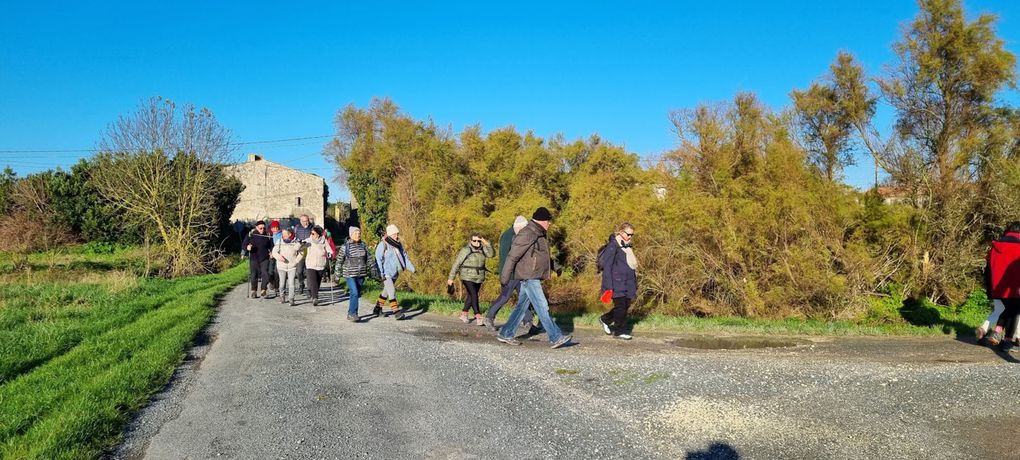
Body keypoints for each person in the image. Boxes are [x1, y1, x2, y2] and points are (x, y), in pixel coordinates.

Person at [496, 207, 572, 349]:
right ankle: (556, 337)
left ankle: (506, 333)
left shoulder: (540, 234)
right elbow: (513, 256)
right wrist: (504, 277)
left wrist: (556, 266)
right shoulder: (528, 233)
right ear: (542, 221)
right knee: (542, 306)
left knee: (521, 306)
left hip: (532, 275)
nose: (550, 224)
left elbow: (542, 255)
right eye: (549, 221)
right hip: (529, 276)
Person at [483, 216, 536, 332]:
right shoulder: (512, 236)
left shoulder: (507, 234)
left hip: (512, 272)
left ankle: (528, 322)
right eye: (525, 228)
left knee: (524, 297)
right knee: (505, 297)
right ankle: (489, 317)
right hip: (511, 273)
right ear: (520, 226)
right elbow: (512, 256)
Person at [977, 222, 1020, 349]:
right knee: (1014, 311)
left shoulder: (995, 246)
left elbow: (988, 267)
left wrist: (990, 288)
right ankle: (1006, 339)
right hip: (1015, 286)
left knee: (1006, 310)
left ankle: (995, 333)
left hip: (997, 286)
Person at [598, 223, 639, 340]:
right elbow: (607, 267)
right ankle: (619, 331)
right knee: (620, 306)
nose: (630, 237)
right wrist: (608, 286)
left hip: (628, 282)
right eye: (628, 234)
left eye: (632, 234)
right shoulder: (613, 246)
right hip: (616, 282)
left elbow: (630, 266)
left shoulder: (627, 246)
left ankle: (605, 319)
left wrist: (634, 282)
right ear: (621, 232)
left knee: (624, 306)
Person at [448, 232, 495, 325]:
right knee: (474, 295)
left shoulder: (483, 249)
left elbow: (491, 254)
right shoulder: (465, 250)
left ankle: (464, 314)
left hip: (479, 277)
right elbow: (457, 264)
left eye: (478, 240)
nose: (477, 242)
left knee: (471, 296)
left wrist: (485, 242)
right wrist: (451, 278)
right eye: (474, 240)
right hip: (467, 276)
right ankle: (478, 315)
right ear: (470, 241)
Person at [375, 224, 415, 320]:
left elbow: (404, 257)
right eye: (394, 235)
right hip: (386, 273)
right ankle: (396, 311)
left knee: (386, 292)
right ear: (389, 235)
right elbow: (378, 259)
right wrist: (381, 272)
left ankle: (377, 309)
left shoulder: (398, 245)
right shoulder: (383, 245)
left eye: (397, 234)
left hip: (395, 273)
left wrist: (412, 268)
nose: (396, 236)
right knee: (392, 291)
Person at [338, 227, 371, 322]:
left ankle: (350, 313)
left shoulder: (363, 245)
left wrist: (374, 270)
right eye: (356, 233)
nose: (358, 235)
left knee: (355, 293)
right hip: (349, 273)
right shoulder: (345, 247)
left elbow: (369, 259)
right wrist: (337, 275)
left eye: (359, 233)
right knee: (355, 292)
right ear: (351, 235)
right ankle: (353, 313)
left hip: (361, 274)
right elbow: (339, 261)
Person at [302, 226, 335, 306]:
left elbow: (330, 251)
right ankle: (315, 298)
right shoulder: (309, 241)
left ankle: (314, 294)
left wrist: (329, 255)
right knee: (313, 281)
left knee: (317, 282)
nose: (311, 234)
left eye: (313, 233)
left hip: (321, 264)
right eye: (311, 233)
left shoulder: (324, 241)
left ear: (318, 235)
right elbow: (301, 246)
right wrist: (301, 243)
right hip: (310, 264)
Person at [272, 227, 305, 306]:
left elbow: (302, 252)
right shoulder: (279, 241)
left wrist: (296, 261)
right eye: (282, 233)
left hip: (292, 266)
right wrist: (279, 257)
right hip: (281, 266)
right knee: (282, 283)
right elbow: (274, 252)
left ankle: (291, 299)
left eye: (284, 234)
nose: (282, 235)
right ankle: (282, 297)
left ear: (289, 234)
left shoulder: (296, 242)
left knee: (291, 283)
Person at [241, 221, 274, 298]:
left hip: (264, 257)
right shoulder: (251, 235)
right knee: (254, 275)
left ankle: (263, 290)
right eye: (260, 228)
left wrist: (272, 252)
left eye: (263, 228)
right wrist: (247, 248)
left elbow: (272, 246)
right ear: (256, 227)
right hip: (254, 257)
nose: (262, 229)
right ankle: (253, 291)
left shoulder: (268, 235)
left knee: (265, 273)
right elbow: (244, 245)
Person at [294, 214, 314, 294]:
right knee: (299, 271)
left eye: (307, 221)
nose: (305, 223)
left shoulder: (313, 228)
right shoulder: (297, 228)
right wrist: (298, 242)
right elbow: (295, 238)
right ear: (300, 221)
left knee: (309, 272)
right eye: (303, 221)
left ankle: (309, 289)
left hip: (310, 252)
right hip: (301, 252)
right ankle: (301, 284)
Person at [267, 220, 282, 296]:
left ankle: (277, 287)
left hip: (279, 256)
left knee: (276, 272)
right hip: (272, 256)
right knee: (270, 272)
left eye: (275, 228)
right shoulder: (270, 235)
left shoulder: (281, 235)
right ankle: (272, 283)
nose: (273, 229)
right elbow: (269, 245)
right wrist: (270, 252)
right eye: (272, 228)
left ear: (277, 227)